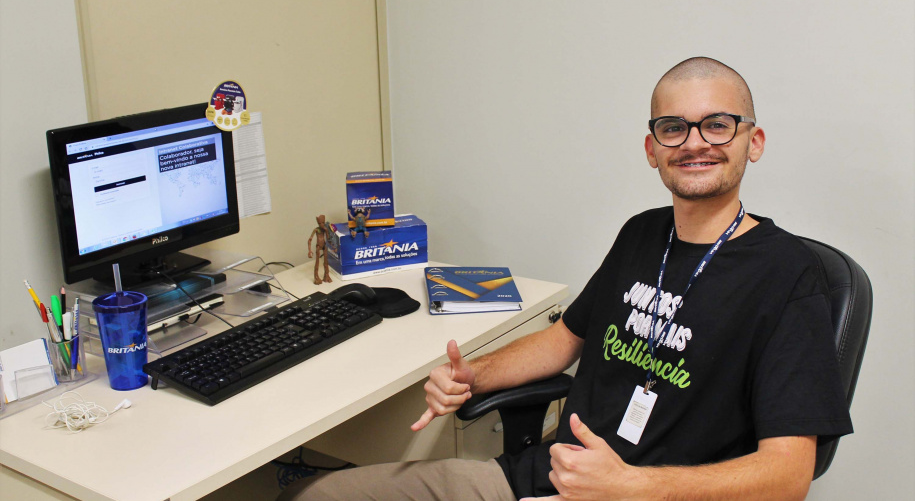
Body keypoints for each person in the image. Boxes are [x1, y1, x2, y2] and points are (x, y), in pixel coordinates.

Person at [282, 57, 852, 501]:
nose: (695, 142)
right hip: (546, 476)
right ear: (652, 150)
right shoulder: (642, 235)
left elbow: (788, 475)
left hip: (656, 495)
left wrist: (633, 487)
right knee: (316, 492)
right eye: (673, 128)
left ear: (753, 141)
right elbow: (562, 341)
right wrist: (472, 376)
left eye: (718, 125)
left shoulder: (789, 275)